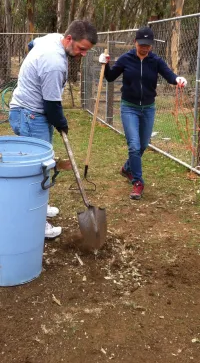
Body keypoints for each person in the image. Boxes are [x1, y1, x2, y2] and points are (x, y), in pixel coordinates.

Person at [9, 20, 98, 238]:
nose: (83, 54)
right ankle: (36, 222)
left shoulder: (51, 39)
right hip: (31, 115)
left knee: (44, 166)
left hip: (29, 112)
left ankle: (40, 206)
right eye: (81, 49)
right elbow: (52, 106)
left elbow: (31, 45)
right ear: (69, 39)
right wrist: (62, 124)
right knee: (37, 171)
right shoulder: (54, 63)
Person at [99, 25, 187, 201]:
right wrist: (105, 64)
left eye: (148, 44)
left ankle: (127, 168)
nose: (144, 47)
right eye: (141, 44)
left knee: (143, 144)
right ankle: (138, 182)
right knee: (133, 144)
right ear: (135, 42)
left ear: (151, 45)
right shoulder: (126, 59)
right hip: (129, 107)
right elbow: (109, 77)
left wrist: (177, 79)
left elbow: (169, 75)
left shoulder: (155, 61)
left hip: (148, 108)